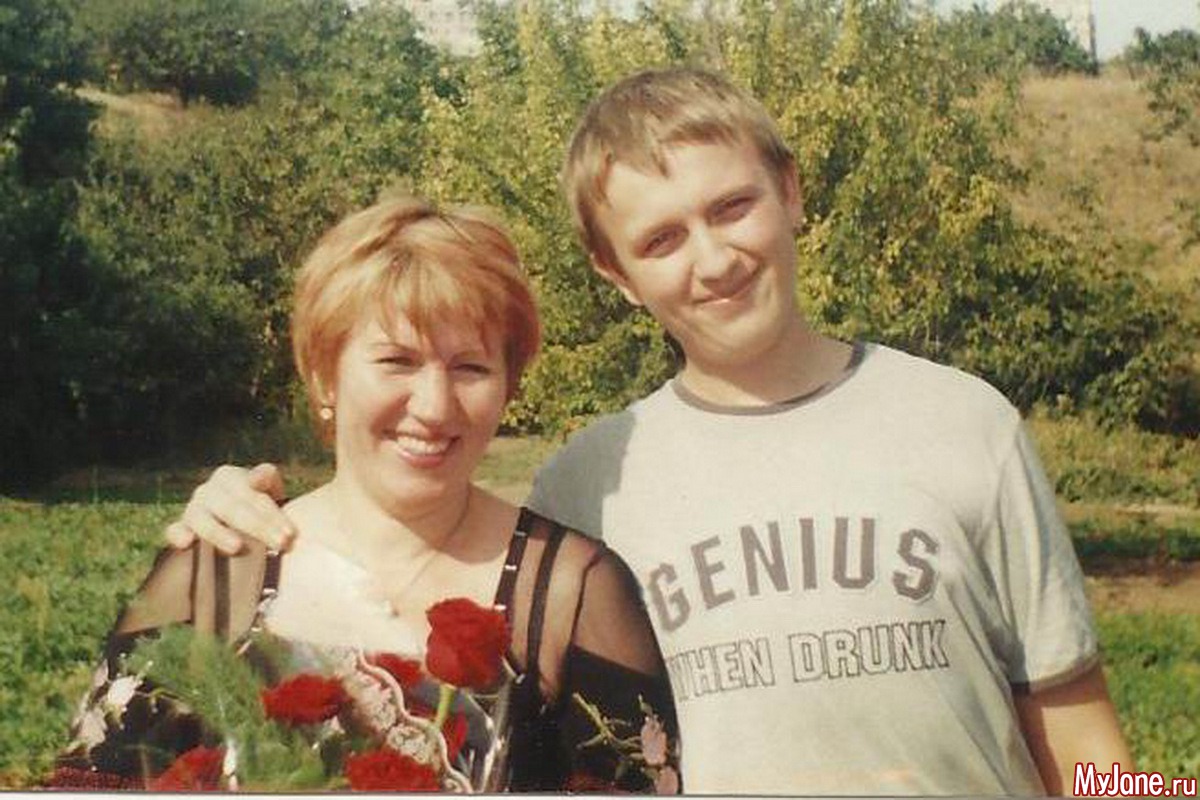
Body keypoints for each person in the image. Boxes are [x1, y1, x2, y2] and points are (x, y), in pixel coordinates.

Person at [162, 68, 1132, 794]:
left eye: (732, 207)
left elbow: (1084, 733)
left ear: (790, 192)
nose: (713, 259)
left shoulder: (964, 422)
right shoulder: (587, 489)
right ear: (616, 273)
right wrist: (242, 518)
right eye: (661, 239)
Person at [51, 196, 679, 793]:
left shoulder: (569, 595)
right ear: (326, 374)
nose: (434, 407)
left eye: (470, 368)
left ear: (507, 387)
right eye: (397, 361)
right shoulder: (219, 574)